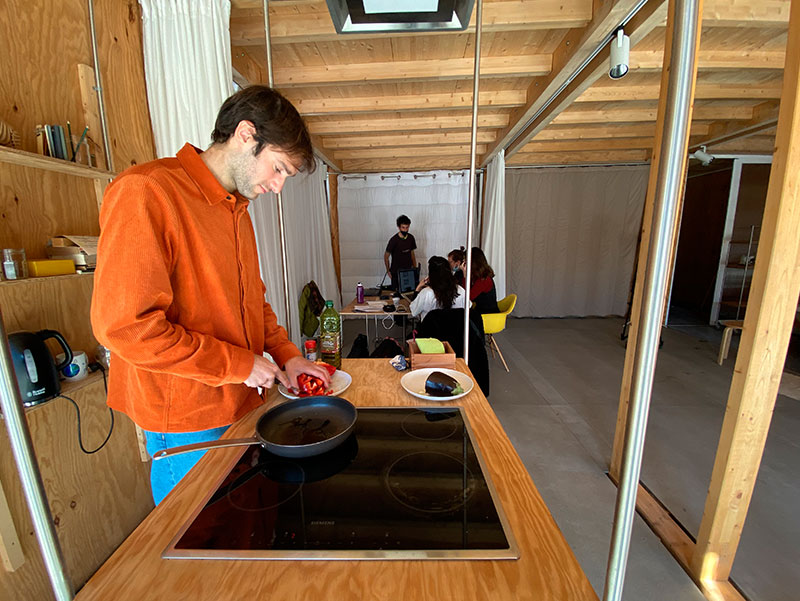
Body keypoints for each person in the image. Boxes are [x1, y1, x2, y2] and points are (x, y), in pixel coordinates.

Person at [91, 86, 331, 505]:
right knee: (199, 536)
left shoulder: (236, 210)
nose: (277, 186)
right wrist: (240, 364)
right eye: (278, 168)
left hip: (242, 404)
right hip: (188, 420)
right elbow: (128, 328)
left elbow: (254, 302)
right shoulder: (147, 192)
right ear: (245, 134)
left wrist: (288, 355)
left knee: (240, 528)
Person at [410, 256, 466, 321]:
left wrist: (418, 288)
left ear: (431, 275)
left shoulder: (426, 293)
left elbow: (413, 311)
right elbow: (468, 308)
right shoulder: (460, 290)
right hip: (455, 327)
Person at [384, 214, 417, 291]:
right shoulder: (393, 240)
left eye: (407, 227)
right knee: (396, 293)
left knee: (409, 292)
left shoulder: (411, 238)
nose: (405, 230)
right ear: (399, 227)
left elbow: (412, 254)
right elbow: (386, 256)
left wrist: (414, 268)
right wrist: (388, 270)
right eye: (403, 227)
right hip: (396, 272)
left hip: (408, 271)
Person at [470, 247, 500, 315]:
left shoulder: (484, 279)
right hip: (481, 310)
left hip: (487, 314)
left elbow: (469, 297)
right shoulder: (479, 276)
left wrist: (465, 275)